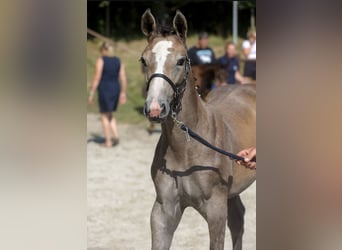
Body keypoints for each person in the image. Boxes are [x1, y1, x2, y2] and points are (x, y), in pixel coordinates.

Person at [88, 42, 127, 147]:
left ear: (104, 50)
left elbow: (97, 78)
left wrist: (91, 93)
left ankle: (108, 141)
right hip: (115, 89)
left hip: (105, 89)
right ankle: (116, 136)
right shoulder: (118, 61)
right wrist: (123, 93)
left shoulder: (101, 60)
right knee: (109, 114)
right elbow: (123, 78)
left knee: (104, 115)